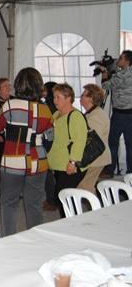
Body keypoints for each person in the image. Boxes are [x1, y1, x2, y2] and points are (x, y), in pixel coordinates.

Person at [0, 68, 52, 235]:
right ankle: (34, 241)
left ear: (18, 85)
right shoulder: (46, 110)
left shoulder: (9, 105)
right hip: (38, 162)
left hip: (12, 162)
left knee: (8, 204)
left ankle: (8, 240)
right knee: (34, 205)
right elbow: (51, 137)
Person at [47, 83, 87, 218]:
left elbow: (80, 140)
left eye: (58, 97)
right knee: (63, 197)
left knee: (65, 198)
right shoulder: (56, 114)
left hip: (70, 165)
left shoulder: (75, 116)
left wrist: (73, 162)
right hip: (58, 164)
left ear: (69, 98)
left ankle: (71, 224)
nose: (54, 100)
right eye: (54, 97)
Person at [101, 50, 132, 177]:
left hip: (120, 115)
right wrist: (111, 63)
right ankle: (130, 172)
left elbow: (105, 85)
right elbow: (116, 68)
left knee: (112, 143)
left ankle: (109, 171)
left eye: (120, 58)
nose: (118, 60)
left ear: (127, 61)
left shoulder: (123, 75)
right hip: (129, 114)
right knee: (130, 144)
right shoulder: (125, 72)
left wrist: (104, 72)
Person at [78, 84, 111, 193]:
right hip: (95, 157)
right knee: (87, 186)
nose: (81, 96)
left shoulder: (96, 115)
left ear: (91, 99)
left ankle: (97, 208)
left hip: (96, 158)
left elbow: (93, 140)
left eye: (84, 95)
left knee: (84, 187)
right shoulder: (92, 113)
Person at [41, 81, 58, 211]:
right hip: (54, 141)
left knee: (49, 173)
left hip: (49, 141)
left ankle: (51, 200)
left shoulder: (48, 106)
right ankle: (52, 199)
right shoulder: (55, 107)